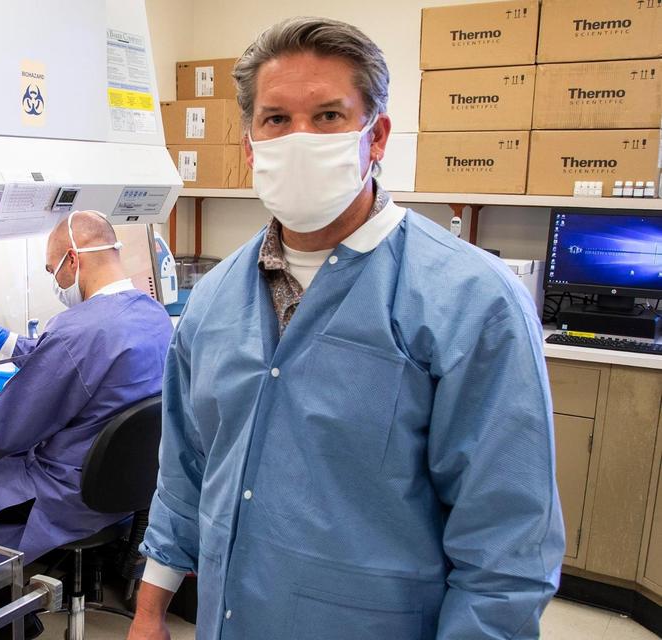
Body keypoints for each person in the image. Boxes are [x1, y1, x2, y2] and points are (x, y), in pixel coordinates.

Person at [128, 17, 564, 640]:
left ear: (375, 135)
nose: (300, 138)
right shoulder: (213, 301)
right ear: (250, 144)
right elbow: (186, 471)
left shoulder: (472, 302)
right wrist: (149, 611)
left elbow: (507, 546)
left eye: (328, 116)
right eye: (276, 119)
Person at [0, 210, 172, 637]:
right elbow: (65, 362)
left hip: (65, 494)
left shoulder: (77, 330)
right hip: (124, 493)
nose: (55, 280)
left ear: (74, 259)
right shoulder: (152, 315)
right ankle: (12, 609)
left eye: (53, 269)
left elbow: (6, 426)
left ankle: (10, 621)